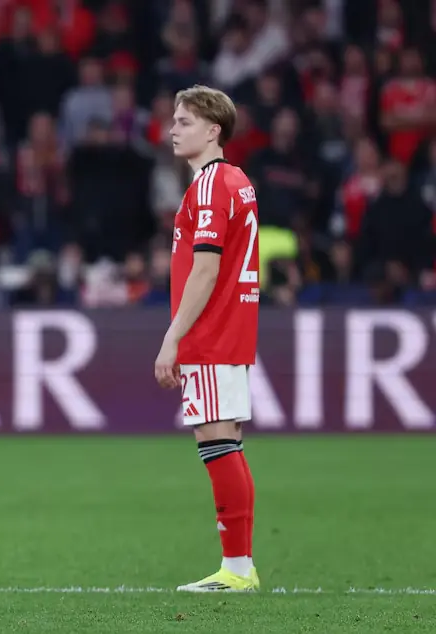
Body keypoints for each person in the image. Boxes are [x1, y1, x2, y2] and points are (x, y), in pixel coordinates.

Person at [154, 85, 260, 592]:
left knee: (217, 440)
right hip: (226, 330)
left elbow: (205, 269)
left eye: (184, 121)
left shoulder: (210, 185)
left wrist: (172, 337)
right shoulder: (235, 180)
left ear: (213, 129)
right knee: (224, 440)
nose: (172, 129)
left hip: (211, 333)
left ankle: (237, 568)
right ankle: (237, 566)